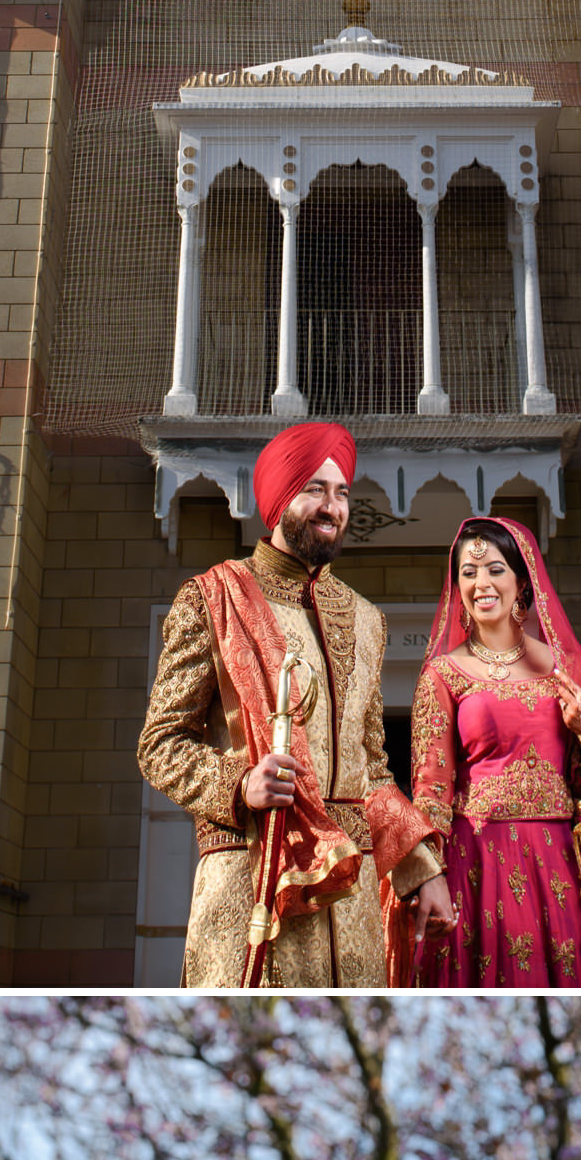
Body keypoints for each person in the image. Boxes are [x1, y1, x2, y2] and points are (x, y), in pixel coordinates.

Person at [137, 414, 409, 984]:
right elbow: (160, 744)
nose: (332, 508)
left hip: (351, 900)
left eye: (341, 493)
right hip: (252, 882)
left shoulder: (366, 620)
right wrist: (238, 785)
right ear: (281, 497)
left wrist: (420, 869)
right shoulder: (213, 597)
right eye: (315, 489)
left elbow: (374, 767)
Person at [402, 521, 581, 986]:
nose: (481, 584)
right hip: (478, 862)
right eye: (468, 573)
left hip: (563, 863)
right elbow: (431, 789)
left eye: (494, 569)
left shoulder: (563, 669)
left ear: (522, 581)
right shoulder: (443, 675)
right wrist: (428, 872)